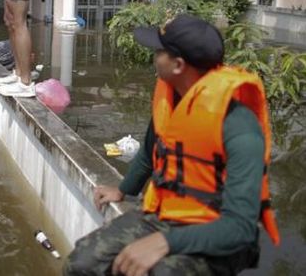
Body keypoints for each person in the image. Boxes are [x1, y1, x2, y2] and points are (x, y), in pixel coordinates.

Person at [63, 14, 280, 276]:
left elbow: (240, 228)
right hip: (164, 215)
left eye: (160, 51)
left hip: (218, 233)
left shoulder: (239, 126)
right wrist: (123, 189)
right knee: (81, 263)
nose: (154, 55)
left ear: (177, 64)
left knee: (164, 272)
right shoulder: (173, 99)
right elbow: (149, 152)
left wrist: (166, 242)